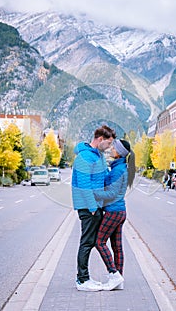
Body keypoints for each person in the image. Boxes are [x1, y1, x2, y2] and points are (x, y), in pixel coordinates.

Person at [72, 125, 116, 292]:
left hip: (95, 205)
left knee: (90, 242)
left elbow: (103, 177)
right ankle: (82, 280)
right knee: (87, 242)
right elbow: (84, 185)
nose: (110, 147)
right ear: (100, 139)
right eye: (108, 143)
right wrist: (92, 207)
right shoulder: (84, 157)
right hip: (88, 207)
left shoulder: (99, 156)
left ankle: (85, 278)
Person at [94, 139, 136, 291]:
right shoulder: (118, 167)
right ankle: (119, 279)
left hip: (114, 212)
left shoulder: (119, 170)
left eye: (114, 147)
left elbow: (111, 193)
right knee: (117, 247)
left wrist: (92, 193)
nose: (111, 149)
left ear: (119, 152)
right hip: (119, 212)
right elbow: (109, 184)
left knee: (99, 242)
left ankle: (114, 274)